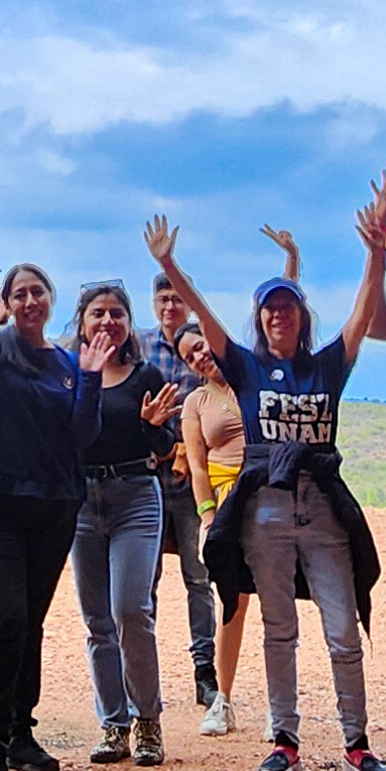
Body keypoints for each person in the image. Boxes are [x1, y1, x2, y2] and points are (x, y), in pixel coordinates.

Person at [142, 204, 386, 771]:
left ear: (302, 317)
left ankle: (356, 743)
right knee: (278, 627)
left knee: (342, 627)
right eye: (270, 308)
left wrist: (376, 252)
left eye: (289, 307)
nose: (280, 315)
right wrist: (169, 265)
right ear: (260, 319)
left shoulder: (327, 366)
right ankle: (285, 740)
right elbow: (204, 315)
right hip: (266, 509)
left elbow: (362, 314)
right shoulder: (247, 367)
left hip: (323, 506)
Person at [0, 247, 84, 771]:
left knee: (32, 621)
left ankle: (22, 733)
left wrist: (94, 380)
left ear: (51, 299)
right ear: (8, 302)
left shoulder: (69, 365)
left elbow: (83, 432)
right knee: (9, 616)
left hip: (53, 507)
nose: (30, 301)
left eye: (37, 292)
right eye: (19, 293)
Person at [70, 281, 181, 766]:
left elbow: (166, 448)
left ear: (129, 322)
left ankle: (147, 720)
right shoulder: (69, 374)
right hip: (81, 501)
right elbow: (73, 437)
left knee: (131, 609)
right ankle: (113, 724)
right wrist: (88, 380)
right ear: (82, 322)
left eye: (117, 313)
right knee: (97, 619)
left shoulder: (145, 375)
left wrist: (152, 427)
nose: (108, 321)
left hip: (135, 495)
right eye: (98, 313)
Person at [143, 268, 220, 711]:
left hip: (194, 480)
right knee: (144, 579)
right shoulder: (139, 346)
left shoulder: (205, 349)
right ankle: (142, 672)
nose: (170, 306)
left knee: (198, 576)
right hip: (149, 477)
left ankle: (204, 671)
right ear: (154, 305)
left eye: (177, 299)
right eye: (163, 300)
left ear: (188, 303)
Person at [175, 323, 248, 730]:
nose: (200, 356)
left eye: (201, 346)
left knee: (279, 599)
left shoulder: (252, 376)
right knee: (232, 601)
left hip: (267, 492)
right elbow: (198, 466)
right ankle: (223, 698)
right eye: (190, 356)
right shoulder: (196, 402)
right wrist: (207, 516)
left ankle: (281, 705)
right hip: (225, 502)